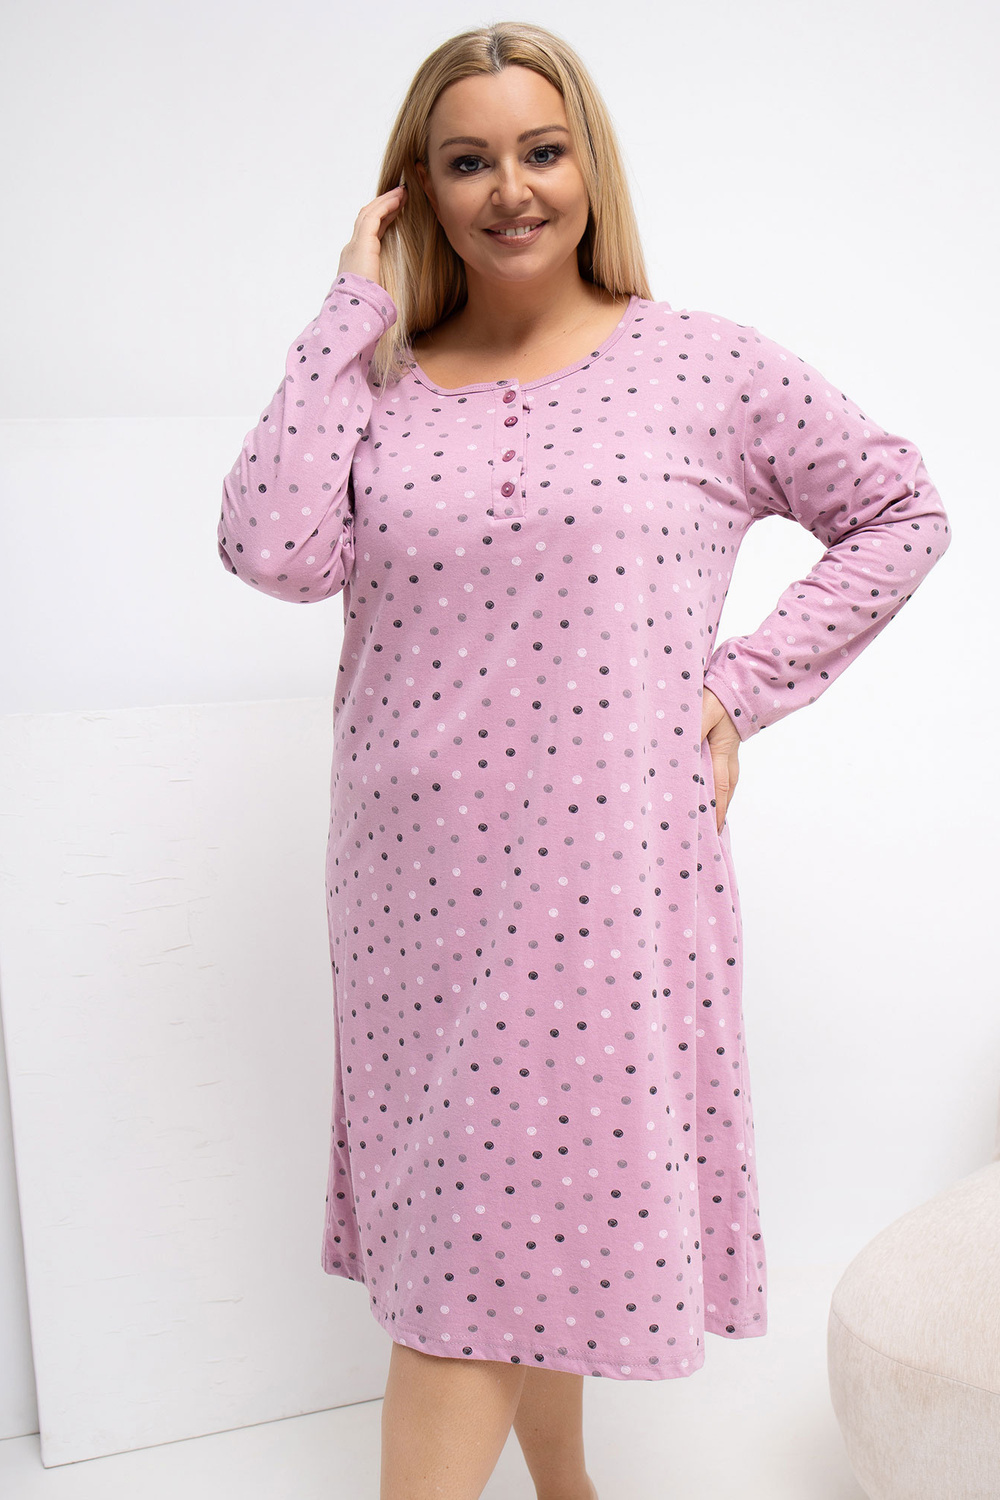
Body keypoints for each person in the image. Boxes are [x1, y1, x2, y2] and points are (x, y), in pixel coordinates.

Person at [216, 21, 952, 1500]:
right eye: (467, 161)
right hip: (409, 896)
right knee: (497, 1228)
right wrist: (347, 310)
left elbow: (901, 509)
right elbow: (269, 548)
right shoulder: (380, 382)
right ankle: (569, 1489)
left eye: (541, 151)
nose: (511, 190)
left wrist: (739, 690)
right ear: (416, 189)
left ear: (589, 163)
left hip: (604, 885)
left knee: (485, 1249)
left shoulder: (701, 366)